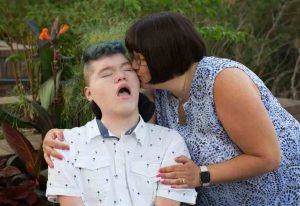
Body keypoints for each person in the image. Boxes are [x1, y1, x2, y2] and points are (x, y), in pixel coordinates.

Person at [43, 12, 300, 205]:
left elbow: (268, 157)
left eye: (137, 58)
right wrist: (58, 138)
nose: (131, 67)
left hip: (283, 195)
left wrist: (202, 175)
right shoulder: (161, 93)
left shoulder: (224, 81)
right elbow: (118, 121)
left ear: (161, 53)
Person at [46, 41, 197, 206]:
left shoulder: (170, 142)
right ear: (89, 93)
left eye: (127, 69)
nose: (121, 76)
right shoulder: (65, 145)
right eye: (106, 74)